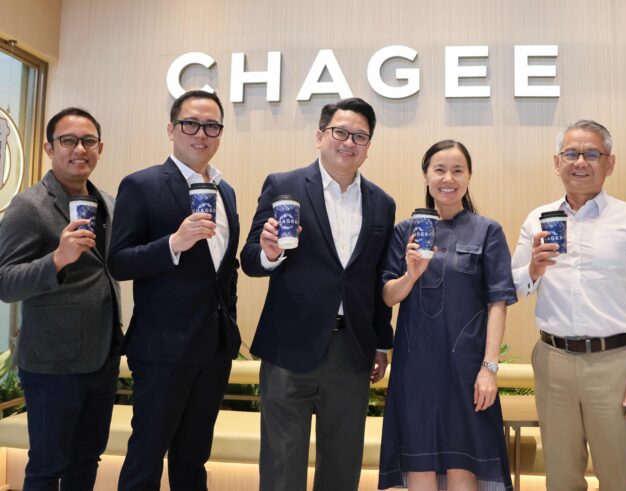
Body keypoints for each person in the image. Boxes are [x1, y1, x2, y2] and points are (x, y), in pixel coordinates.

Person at [240, 97, 396, 491]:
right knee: (282, 464)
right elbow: (250, 259)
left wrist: (381, 343)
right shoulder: (284, 185)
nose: (349, 142)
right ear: (320, 136)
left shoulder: (382, 203)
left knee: (343, 464)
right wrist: (270, 253)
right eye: (340, 132)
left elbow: (377, 280)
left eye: (360, 136)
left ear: (369, 145)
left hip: (351, 349)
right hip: (289, 346)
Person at [510, 120, 626, 491]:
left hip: (615, 363)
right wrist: (533, 269)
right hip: (553, 360)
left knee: (617, 477)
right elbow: (512, 288)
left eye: (592, 154)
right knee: (560, 477)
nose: (580, 161)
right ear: (557, 163)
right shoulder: (537, 218)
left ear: (609, 163)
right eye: (571, 153)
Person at [108, 90, 241, 490]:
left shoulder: (226, 190)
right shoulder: (142, 185)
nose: (201, 134)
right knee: (146, 457)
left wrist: (229, 325)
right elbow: (119, 261)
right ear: (171, 129)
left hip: (214, 349)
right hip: (162, 348)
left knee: (193, 459)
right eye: (191, 124)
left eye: (212, 126)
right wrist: (173, 244)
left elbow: (225, 270)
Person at [378, 140, 517, 491]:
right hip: (415, 369)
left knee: (462, 468)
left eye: (458, 170)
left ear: (469, 177)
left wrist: (489, 368)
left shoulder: (488, 230)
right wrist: (411, 274)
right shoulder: (405, 231)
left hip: (467, 371)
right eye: (439, 170)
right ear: (426, 176)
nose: (448, 179)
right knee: (419, 467)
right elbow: (388, 295)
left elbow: (498, 302)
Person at [0, 107, 122, 490]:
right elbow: (5, 283)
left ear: (100, 148)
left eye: (88, 141)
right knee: (47, 465)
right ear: (49, 148)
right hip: (52, 362)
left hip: (102, 357)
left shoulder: (108, 202)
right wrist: (57, 259)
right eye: (68, 140)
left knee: (86, 460)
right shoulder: (28, 206)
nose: (79, 149)